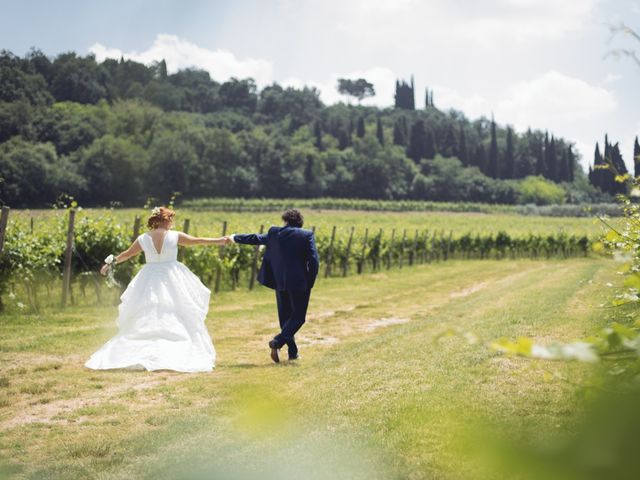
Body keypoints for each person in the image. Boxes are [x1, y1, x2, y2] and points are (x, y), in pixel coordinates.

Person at [85, 207, 226, 372]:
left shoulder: (143, 238)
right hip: (172, 275)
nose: (172, 223)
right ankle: (173, 350)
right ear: (165, 220)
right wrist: (219, 240)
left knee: (148, 310)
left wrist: (109, 264)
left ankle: (147, 348)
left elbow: (127, 254)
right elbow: (198, 241)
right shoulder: (175, 236)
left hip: (149, 276)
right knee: (176, 309)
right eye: (170, 219)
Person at [229, 209, 319, 363]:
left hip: (279, 282)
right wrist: (309, 281)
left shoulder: (274, 233)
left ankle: (293, 352)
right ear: (300, 223)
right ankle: (277, 342)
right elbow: (314, 261)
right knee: (298, 318)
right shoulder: (306, 235)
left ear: (285, 221)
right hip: (299, 282)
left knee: (285, 317)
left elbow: (255, 238)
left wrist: (233, 237)